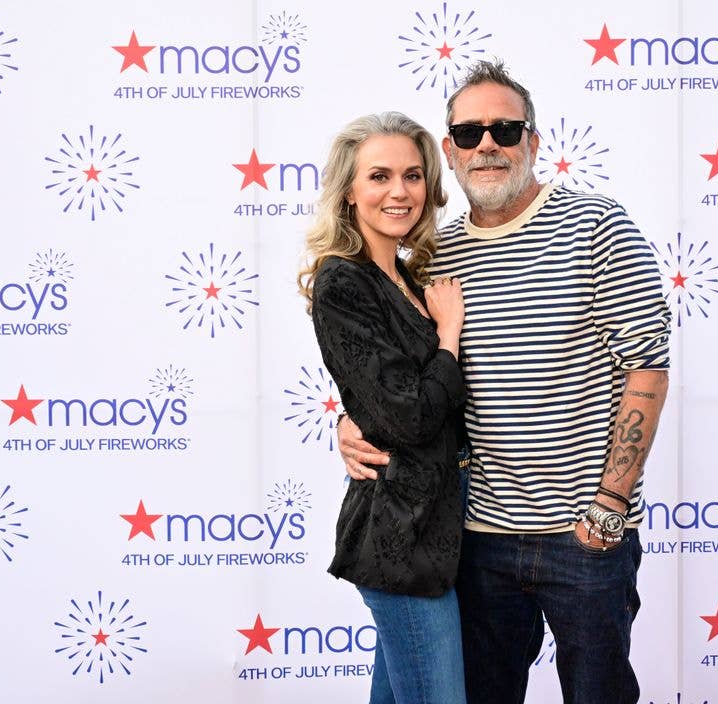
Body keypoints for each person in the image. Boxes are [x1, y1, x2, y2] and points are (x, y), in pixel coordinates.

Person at [337, 62, 671, 704]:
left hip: (584, 536)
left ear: (534, 143)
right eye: (468, 133)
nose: (487, 144)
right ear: (449, 153)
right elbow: (400, 378)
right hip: (473, 541)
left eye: (505, 129)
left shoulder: (599, 226)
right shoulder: (433, 253)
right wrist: (353, 422)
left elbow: (646, 370)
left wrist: (609, 507)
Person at [299, 112, 469, 704]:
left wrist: (354, 418)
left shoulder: (408, 276)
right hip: (400, 536)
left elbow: (393, 404)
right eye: (380, 176)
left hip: (442, 530)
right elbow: (410, 417)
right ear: (350, 191)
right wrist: (449, 336)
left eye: (413, 176)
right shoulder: (343, 282)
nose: (399, 191)